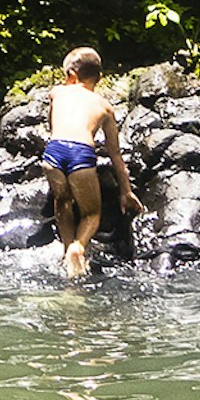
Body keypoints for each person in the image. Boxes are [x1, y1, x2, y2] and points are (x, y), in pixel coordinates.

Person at [40, 47, 139, 279]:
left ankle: (67, 254)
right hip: (80, 154)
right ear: (100, 78)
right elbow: (115, 154)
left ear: (71, 76)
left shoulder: (57, 93)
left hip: (53, 153)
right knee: (91, 214)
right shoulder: (104, 107)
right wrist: (126, 192)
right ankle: (79, 247)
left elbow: (52, 124)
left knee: (62, 201)